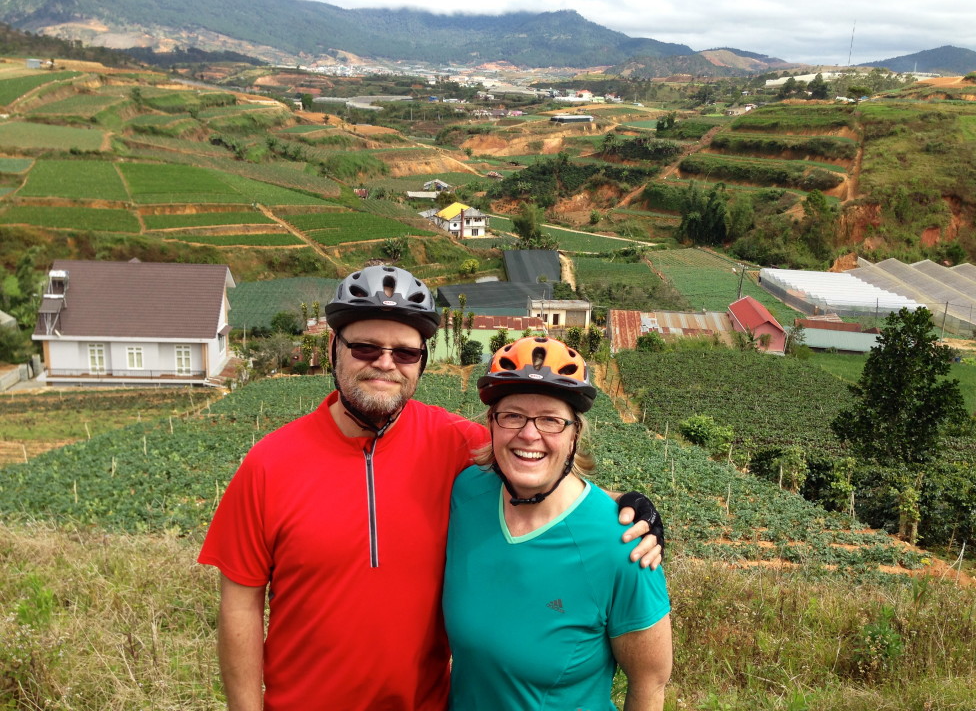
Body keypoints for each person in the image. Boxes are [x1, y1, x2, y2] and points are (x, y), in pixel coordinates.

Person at [198, 265, 663, 711]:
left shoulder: (453, 441)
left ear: (421, 361)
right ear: (333, 348)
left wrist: (622, 506)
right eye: (365, 348)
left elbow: (538, 459)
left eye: (404, 352)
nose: (385, 364)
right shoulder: (269, 464)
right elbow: (239, 607)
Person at [444, 336, 672, 711]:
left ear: (574, 434)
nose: (529, 434)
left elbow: (650, 682)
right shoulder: (466, 494)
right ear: (492, 423)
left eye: (550, 420)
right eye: (513, 415)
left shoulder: (625, 544)